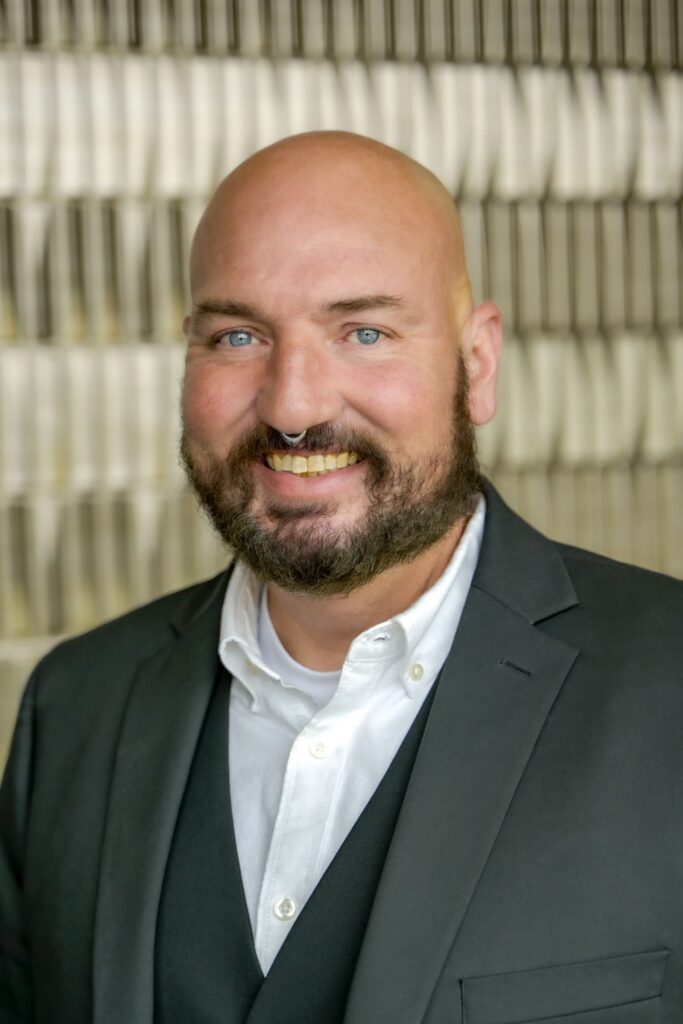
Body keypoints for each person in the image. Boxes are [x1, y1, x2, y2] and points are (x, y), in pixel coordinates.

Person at [1, 132, 682, 1024]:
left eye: (363, 331)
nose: (293, 405)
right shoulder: (75, 706)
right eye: (237, 336)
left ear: (476, 365)